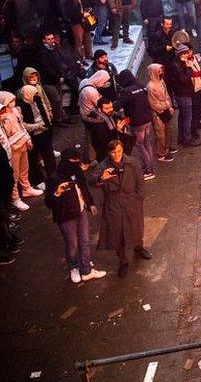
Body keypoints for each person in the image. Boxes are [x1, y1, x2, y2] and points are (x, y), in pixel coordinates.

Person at [45, 146, 107, 283]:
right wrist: (57, 193)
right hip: (66, 217)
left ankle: (86, 270)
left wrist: (90, 203)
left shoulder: (77, 171)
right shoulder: (53, 178)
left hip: (81, 211)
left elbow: (83, 187)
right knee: (72, 244)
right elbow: (49, 203)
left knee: (85, 241)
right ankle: (73, 267)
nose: (77, 164)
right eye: (74, 161)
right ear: (66, 160)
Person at [91, 139, 151, 278]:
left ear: (122, 150)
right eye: (113, 152)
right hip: (113, 203)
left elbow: (140, 181)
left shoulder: (132, 162)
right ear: (109, 153)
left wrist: (139, 198)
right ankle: (123, 261)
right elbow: (92, 180)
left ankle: (139, 247)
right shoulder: (103, 166)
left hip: (131, 201)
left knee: (136, 227)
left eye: (119, 151)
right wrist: (102, 177)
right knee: (117, 233)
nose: (116, 154)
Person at [1, 91, 39, 212]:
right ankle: (15, 198)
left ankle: (26, 189)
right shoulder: (3, 119)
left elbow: (21, 126)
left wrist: (27, 138)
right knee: (14, 175)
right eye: (10, 101)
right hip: (13, 149)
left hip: (22, 144)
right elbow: (5, 137)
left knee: (24, 169)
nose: (13, 103)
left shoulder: (15, 112)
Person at [117, 70, 155, 180]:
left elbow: (118, 104)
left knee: (140, 145)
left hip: (137, 122)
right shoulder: (141, 86)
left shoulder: (126, 91)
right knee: (147, 144)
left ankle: (149, 171)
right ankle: (149, 167)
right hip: (147, 118)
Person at [146, 63, 177, 162]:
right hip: (157, 113)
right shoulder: (150, 87)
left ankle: (166, 147)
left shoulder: (161, 81)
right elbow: (153, 104)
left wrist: (169, 106)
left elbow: (166, 94)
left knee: (168, 130)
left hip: (166, 110)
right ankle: (161, 153)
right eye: (159, 71)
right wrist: (166, 105)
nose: (161, 73)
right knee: (160, 134)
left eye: (161, 71)